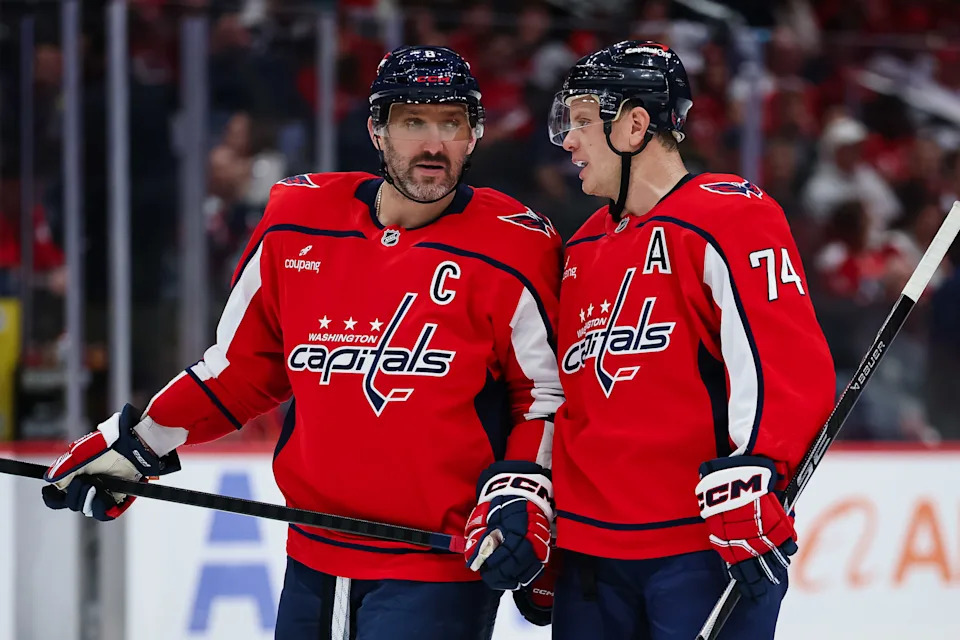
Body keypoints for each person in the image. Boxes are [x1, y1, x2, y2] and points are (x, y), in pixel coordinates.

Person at [41, 46, 562, 640]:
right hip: (311, 557)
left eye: (452, 123)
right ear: (376, 129)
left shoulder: (516, 244)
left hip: (437, 568)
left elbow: (544, 395)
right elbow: (240, 372)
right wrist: (140, 442)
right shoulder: (297, 218)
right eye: (413, 121)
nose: (433, 144)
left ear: (474, 135)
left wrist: (524, 491)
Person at [546, 41, 836, 639]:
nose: (568, 140)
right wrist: (545, 510)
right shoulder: (581, 246)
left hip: (702, 547)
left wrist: (756, 471)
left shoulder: (727, 215)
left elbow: (783, 364)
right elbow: (565, 397)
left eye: (581, 121)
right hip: (590, 558)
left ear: (634, 125)